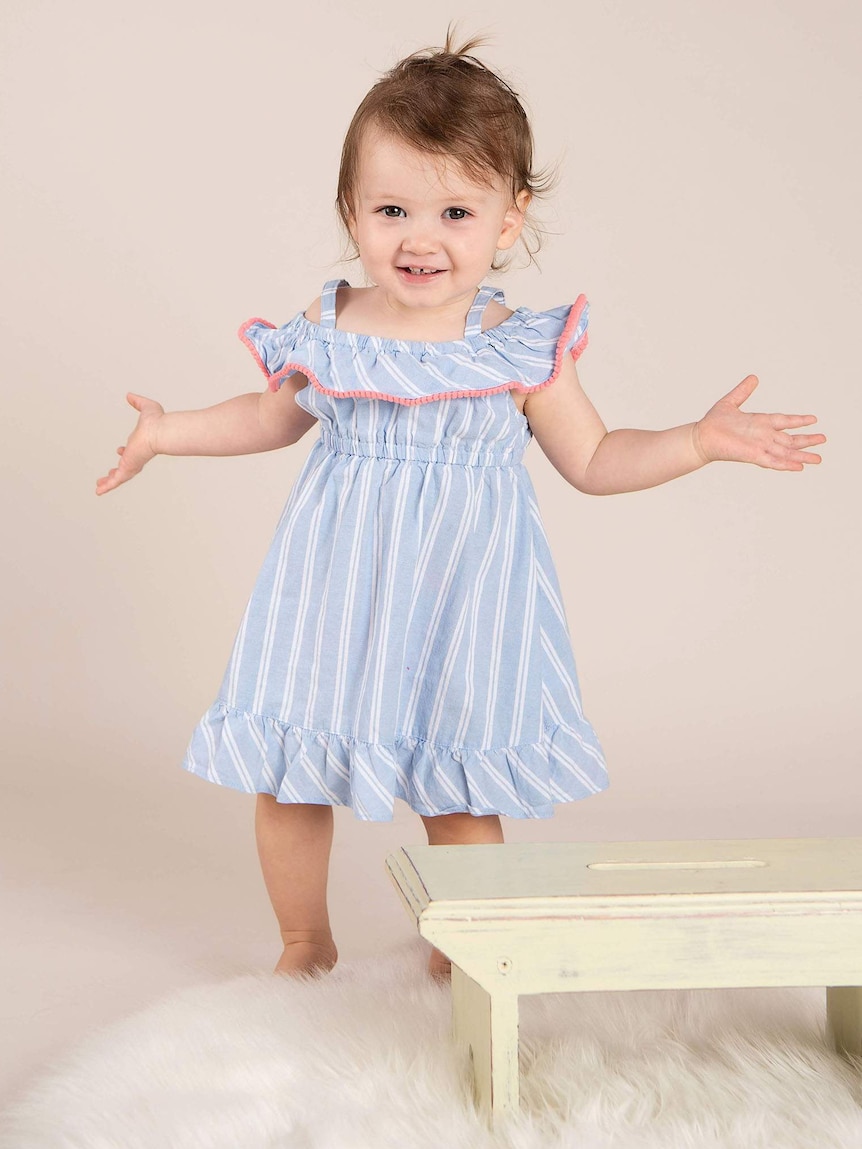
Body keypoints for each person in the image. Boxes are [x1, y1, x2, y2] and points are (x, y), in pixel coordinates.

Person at [96, 29, 825, 983]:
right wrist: (167, 430)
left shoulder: (516, 349)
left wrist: (696, 439)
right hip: (332, 589)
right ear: (351, 211)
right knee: (287, 771)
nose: (421, 237)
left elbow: (596, 458)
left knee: (459, 788)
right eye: (392, 207)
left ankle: (463, 949)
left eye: (456, 211)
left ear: (510, 220)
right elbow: (268, 418)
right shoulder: (332, 327)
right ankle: (304, 941)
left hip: (463, 598)